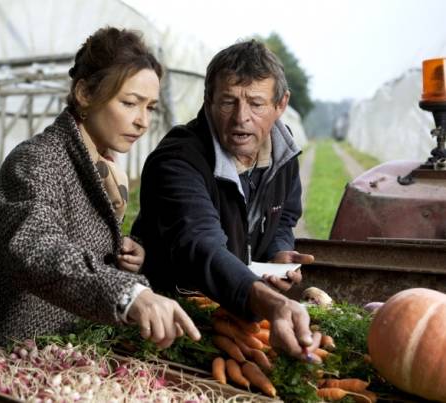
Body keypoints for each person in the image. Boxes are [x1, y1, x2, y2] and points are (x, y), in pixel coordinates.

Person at [0, 27, 201, 352]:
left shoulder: (105, 167)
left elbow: (79, 240)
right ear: (85, 93)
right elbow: (35, 246)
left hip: (67, 350)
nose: (142, 121)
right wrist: (128, 293)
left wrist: (123, 255)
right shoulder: (37, 160)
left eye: (150, 107)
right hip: (14, 354)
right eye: (130, 103)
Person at [131, 39, 320, 361]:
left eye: (256, 104)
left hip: (236, 317)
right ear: (208, 102)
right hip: (169, 323)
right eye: (228, 102)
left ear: (281, 104)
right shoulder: (178, 160)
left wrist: (276, 253)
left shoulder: (283, 157)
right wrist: (271, 303)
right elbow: (199, 243)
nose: (241, 118)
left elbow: (284, 216)